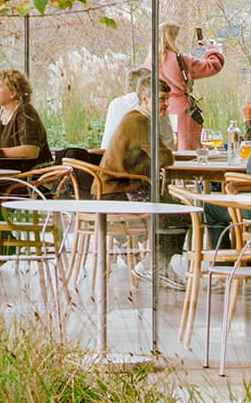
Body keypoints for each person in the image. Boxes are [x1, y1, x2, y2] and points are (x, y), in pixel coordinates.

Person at [96, 69, 183, 258]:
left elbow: (166, 157)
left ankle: (156, 265)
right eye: (161, 99)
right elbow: (165, 157)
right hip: (117, 194)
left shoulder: (145, 121)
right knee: (179, 213)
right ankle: (155, 266)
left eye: (167, 99)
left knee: (177, 209)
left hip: (122, 189)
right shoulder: (137, 122)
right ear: (145, 99)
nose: (166, 104)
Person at [159, 28, 226, 154]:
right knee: (187, 152)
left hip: (161, 110)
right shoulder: (180, 60)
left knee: (169, 150)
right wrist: (209, 46)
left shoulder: (151, 61)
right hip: (182, 111)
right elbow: (213, 65)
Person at [0, 67, 51, 181]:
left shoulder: (25, 112)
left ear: (13, 93)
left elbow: (31, 151)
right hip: (0, 172)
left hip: (27, 177)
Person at [101, 68, 151, 158]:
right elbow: (168, 143)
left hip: (104, 161)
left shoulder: (115, 103)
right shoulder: (148, 105)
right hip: (130, 168)